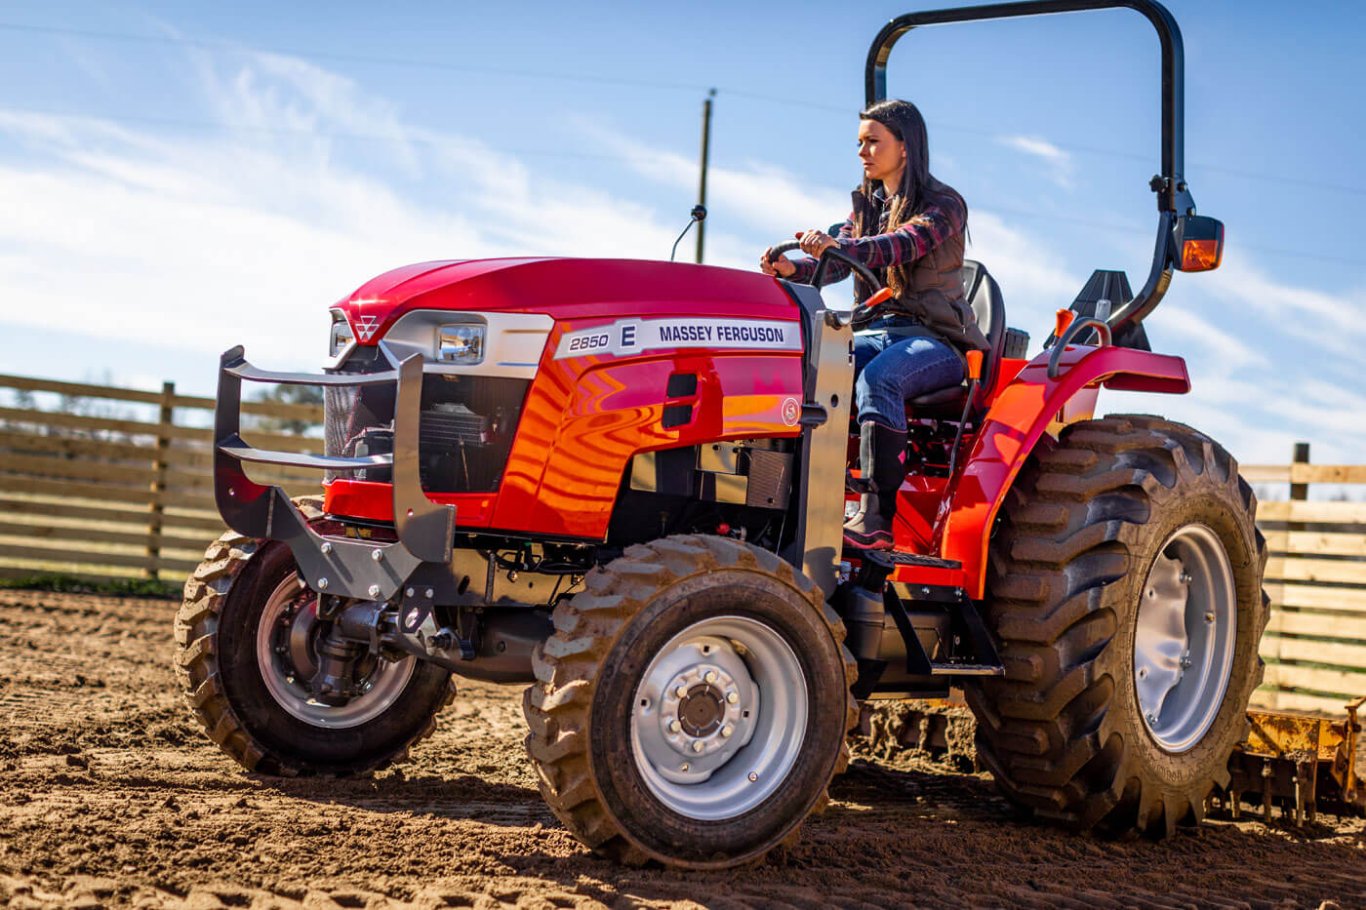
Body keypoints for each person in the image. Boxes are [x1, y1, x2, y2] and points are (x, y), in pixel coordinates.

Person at [760, 99, 989, 550]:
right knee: (806, 367)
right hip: (875, 330)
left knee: (878, 379)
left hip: (937, 340)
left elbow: (901, 245)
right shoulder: (865, 206)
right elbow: (839, 264)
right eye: (859, 143)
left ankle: (877, 515)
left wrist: (837, 248)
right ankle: (789, 497)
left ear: (905, 147)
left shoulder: (944, 205)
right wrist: (795, 270)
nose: (862, 152)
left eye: (872, 142)